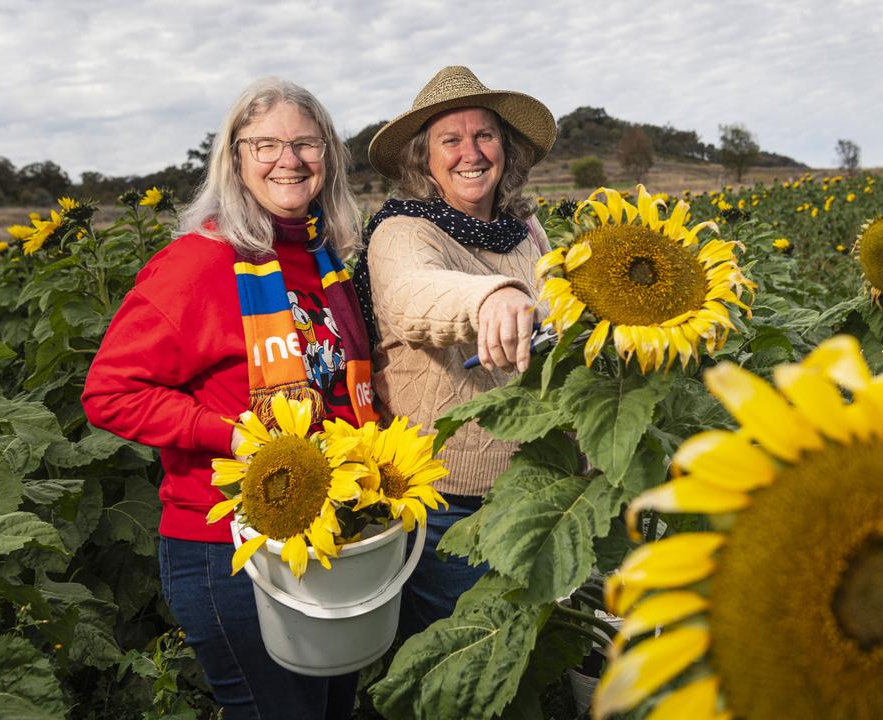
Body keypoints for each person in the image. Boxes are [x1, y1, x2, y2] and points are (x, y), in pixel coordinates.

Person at [82, 77, 377, 720]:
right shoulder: (199, 264)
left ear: (329, 156)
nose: (289, 160)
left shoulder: (324, 262)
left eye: (307, 143)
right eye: (265, 144)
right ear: (234, 157)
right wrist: (237, 436)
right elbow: (110, 392)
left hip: (325, 536)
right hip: (229, 552)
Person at [352, 65, 556, 636]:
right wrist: (492, 299)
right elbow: (410, 294)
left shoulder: (524, 229)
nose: (471, 152)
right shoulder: (403, 230)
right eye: (451, 139)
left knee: (530, 637)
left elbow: (553, 308)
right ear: (424, 158)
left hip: (531, 475)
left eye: (484, 135)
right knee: (465, 644)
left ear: (506, 149)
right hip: (447, 494)